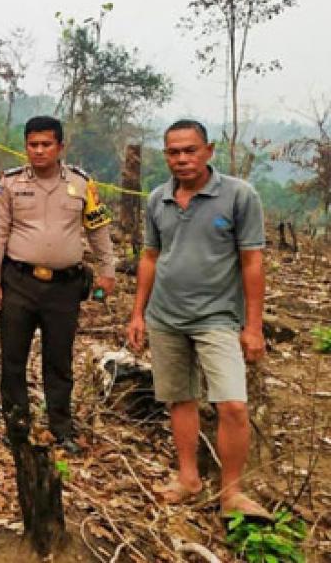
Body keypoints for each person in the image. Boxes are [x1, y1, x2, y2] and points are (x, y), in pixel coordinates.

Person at [127, 119, 269, 517]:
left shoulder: (239, 196)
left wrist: (253, 326)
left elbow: (252, 261)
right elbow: (151, 257)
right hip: (166, 316)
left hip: (218, 317)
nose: (182, 159)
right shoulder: (158, 198)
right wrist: (138, 313)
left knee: (232, 405)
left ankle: (232, 492)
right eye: (174, 152)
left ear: (208, 151)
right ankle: (188, 477)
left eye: (190, 150)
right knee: (179, 398)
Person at [0, 116, 115, 454]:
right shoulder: (10, 184)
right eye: (33, 144)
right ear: (25, 146)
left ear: (60, 147)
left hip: (64, 287)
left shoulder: (81, 184)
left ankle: (61, 427)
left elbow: (97, 230)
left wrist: (107, 271)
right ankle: (17, 425)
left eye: (46, 145)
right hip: (19, 282)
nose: (39, 151)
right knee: (13, 357)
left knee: (58, 360)